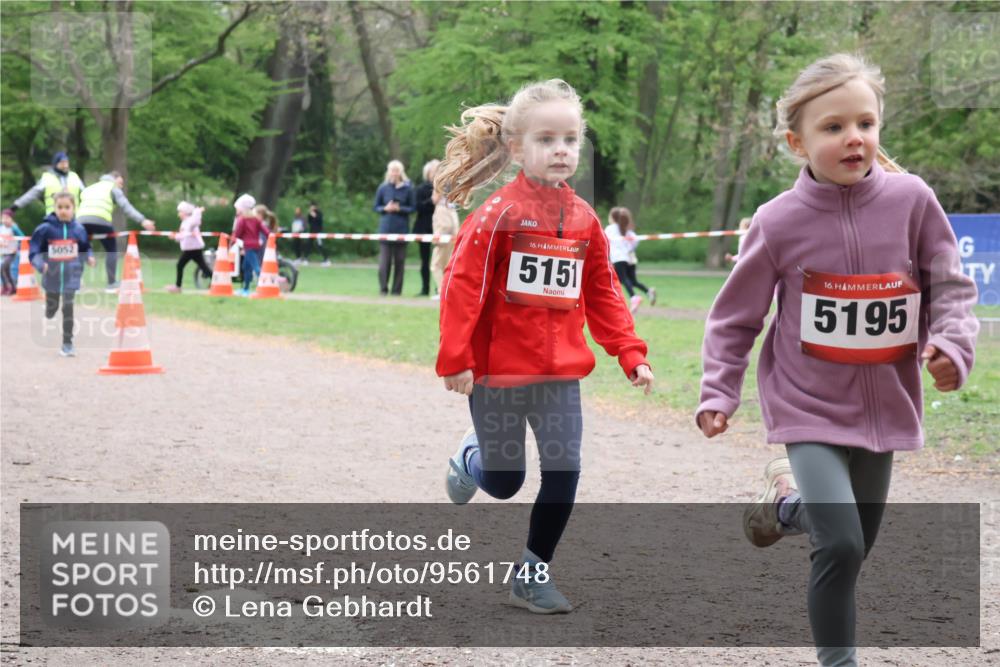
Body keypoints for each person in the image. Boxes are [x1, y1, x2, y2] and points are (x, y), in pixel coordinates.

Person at [695, 54, 979, 667]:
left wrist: (952, 346)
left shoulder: (911, 200)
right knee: (843, 543)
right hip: (808, 406)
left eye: (866, 123)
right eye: (833, 127)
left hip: (884, 409)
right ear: (798, 141)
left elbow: (951, 288)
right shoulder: (777, 221)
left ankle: (784, 506)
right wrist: (719, 392)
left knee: (854, 547)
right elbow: (735, 317)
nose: (855, 138)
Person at [435, 79, 655, 615]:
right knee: (506, 483)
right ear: (516, 148)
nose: (561, 150)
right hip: (497, 375)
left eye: (571, 139)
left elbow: (602, 289)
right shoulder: (497, 216)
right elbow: (464, 288)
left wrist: (629, 352)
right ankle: (472, 458)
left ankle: (532, 574)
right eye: (547, 139)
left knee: (564, 470)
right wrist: (456, 359)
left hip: (558, 377)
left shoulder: (583, 218)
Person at [29, 191, 96, 357]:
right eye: (60, 207)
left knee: (68, 307)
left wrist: (89, 257)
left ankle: (67, 343)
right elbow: (34, 250)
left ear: (74, 208)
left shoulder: (79, 229)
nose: (64, 210)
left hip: (71, 276)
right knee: (52, 307)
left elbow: (86, 247)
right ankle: (49, 310)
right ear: (54, 208)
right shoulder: (45, 229)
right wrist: (39, 263)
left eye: (67, 207)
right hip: (51, 275)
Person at [76, 171, 156, 292]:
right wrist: (142, 220)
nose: (121, 186)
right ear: (113, 179)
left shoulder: (88, 188)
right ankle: (111, 283)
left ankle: (76, 284)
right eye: (120, 182)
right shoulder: (112, 187)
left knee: (80, 250)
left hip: (80, 220)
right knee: (111, 249)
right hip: (101, 219)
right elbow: (126, 206)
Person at [373, 160, 415, 295]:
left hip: (401, 229)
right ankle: (383, 289)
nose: (394, 173)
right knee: (384, 263)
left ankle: (397, 291)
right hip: (385, 229)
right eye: (392, 170)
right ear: (388, 172)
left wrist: (399, 208)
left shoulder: (408, 189)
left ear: (401, 172)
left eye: (397, 170)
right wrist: (385, 208)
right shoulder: (382, 188)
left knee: (399, 262)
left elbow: (413, 208)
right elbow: (376, 206)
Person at [605, 207, 655, 313]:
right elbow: (635, 241)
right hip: (628, 258)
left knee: (622, 279)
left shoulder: (610, 229)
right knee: (632, 281)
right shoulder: (626, 229)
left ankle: (633, 297)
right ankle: (648, 291)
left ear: (612, 218)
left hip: (618, 258)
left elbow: (604, 241)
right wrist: (628, 249)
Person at [9, 151, 85, 215]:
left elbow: (86, 194)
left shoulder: (74, 177)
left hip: (74, 219)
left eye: (66, 162)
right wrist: (15, 206)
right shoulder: (47, 178)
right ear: (56, 164)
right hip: (53, 219)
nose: (65, 165)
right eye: (62, 163)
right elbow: (31, 194)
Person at [166, 201, 211, 293]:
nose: (179, 214)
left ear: (185, 212)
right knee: (203, 267)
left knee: (180, 265)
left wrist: (197, 211)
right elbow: (183, 235)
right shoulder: (184, 222)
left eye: (180, 212)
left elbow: (195, 222)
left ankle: (178, 287)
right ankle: (217, 282)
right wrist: (176, 236)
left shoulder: (190, 221)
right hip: (192, 248)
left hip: (192, 248)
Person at [231, 194, 265, 296]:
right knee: (246, 267)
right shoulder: (255, 219)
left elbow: (238, 234)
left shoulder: (242, 219)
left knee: (256, 267)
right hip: (254, 246)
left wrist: (232, 243)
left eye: (237, 208)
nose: (236, 210)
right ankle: (245, 289)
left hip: (249, 246)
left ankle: (265, 284)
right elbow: (264, 230)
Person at [413, 160, 439, 296]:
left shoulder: (444, 189)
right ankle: (425, 288)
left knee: (440, 260)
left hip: (440, 228)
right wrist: (432, 201)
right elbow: (418, 207)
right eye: (434, 171)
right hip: (424, 227)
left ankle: (439, 289)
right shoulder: (421, 189)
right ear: (428, 173)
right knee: (425, 260)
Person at [429, 188, 459, 301]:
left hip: (443, 241)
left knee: (436, 266)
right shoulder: (451, 206)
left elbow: (445, 226)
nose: (432, 197)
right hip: (451, 241)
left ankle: (442, 291)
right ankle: (447, 291)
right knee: (446, 267)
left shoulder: (441, 208)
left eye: (433, 194)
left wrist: (437, 238)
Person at [1, 209, 26, 296]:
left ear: (11, 219)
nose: (5, 220)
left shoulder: (14, 228)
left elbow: (22, 237)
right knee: (6, 271)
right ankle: (12, 288)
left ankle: (6, 287)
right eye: (3, 218)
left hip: (12, 253)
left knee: (2, 267)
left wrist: (18, 248)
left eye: (7, 218)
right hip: (4, 252)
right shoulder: (1, 228)